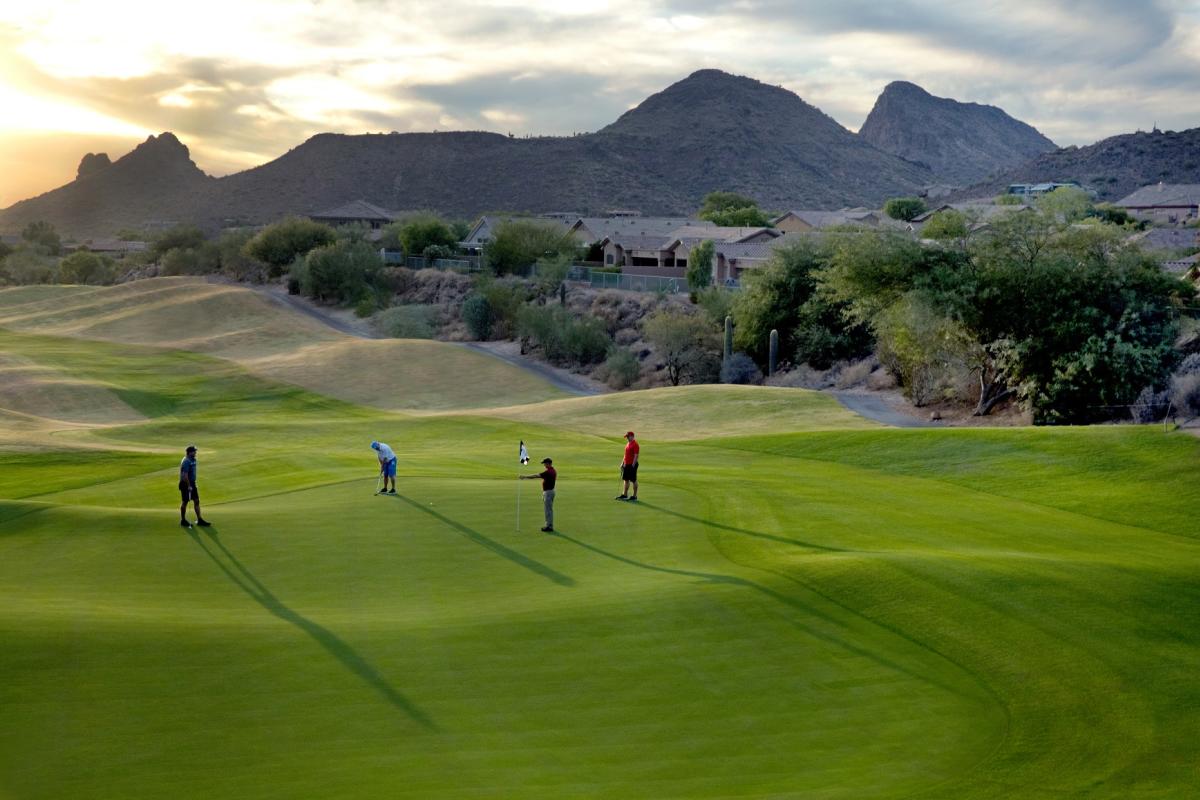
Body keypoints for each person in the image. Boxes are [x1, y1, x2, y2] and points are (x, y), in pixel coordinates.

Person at [520, 457, 557, 532]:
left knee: (548, 510)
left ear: (548, 463)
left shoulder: (548, 472)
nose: (544, 465)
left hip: (548, 492)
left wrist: (525, 477)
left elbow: (536, 476)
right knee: (548, 509)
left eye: (545, 463)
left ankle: (549, 526)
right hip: (550, 491)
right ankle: (549, 525)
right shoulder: (553, 470)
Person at [179, 444, 210, 528]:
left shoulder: (193, 460)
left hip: (192, 483)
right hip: (185, 484)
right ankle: (183, 520)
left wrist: (193, 484)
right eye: (194, 451)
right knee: (185, 502)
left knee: (196, 500)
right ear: (189, 453)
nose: (195, 452)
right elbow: (185, 475)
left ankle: (199, 520)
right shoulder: (186, 461)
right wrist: (189, 485)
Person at [615, 430, 639, 501]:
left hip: (632, 465)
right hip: (626, 464)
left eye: (628, 436)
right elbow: (625, 455)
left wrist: (633, 465)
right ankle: (624, 494)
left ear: (632, 436)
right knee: (626, 479)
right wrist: (622, 463)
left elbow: (636, 456)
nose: (627, 438)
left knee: (633, 480)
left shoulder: (635, 444)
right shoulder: (628, 444)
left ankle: (634, 496)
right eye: (627, 437)